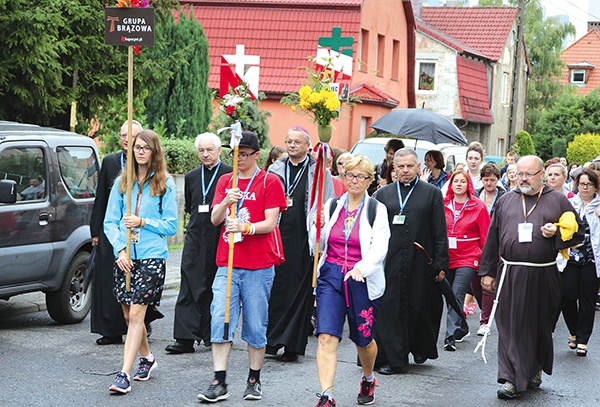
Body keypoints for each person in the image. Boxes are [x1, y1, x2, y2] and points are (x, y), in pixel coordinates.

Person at [479, 155, 584, 399]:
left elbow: (578, 233)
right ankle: (511, 378)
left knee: (539, 325)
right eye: (519, 173)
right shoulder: (506, 200)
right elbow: (492, 238)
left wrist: (557, 232)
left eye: (528, 174)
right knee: (509, 326)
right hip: (510, 272)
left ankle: (534, 367)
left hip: (543, 273)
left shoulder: (557, 200)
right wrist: (487, 272)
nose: (522, 178)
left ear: (541, 176)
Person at [197, 131, 287, 403]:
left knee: (255, 325)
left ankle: (253, 379)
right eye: (236, 153)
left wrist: (246, 226)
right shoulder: (226, 180)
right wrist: (226, 201)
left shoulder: (270, 181)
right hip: (228, 263)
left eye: (245, 154)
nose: (240, 159)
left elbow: (271, 223)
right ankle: (219, 380)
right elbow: (214, 219)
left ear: (257, 155)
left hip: (258, 265)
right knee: (220, 319)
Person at [104, 130, 178, 394]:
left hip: (152, 256)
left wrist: (143, 222)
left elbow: (171, 226)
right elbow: (110, 222)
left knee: (137, 313)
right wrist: (120, 250)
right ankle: (147, 358)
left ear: (154, 151)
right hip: (126, 257)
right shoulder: (123, 183)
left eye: (146, 147)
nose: (140, 151)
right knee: (128, 314)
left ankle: (123, 374)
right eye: (137, 147)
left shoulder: (165, 184)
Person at [314, 155, 390, 407]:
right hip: (331, 276)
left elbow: (380, 247)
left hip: (362, 279)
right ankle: (327, 395)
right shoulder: (332, 205)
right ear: (343, 177)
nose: (354, 180)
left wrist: (362, 268)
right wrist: (315, 227)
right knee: (326, 335)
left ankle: (368, 377)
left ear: (369, 180)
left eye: (360, 176)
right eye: (349, 175)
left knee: (363, 339)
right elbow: (318, 243)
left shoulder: (375, 209)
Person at [373, 148, 449, 374]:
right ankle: (392, 358)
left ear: (418, 167)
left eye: (410, 166)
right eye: (401, 166)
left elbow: (440, 231)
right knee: (391, 308)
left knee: (419, 306)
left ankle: (418, 346)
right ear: (394, 168)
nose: (405, 171)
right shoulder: (383, 194)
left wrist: (441, 263)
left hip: (420, 260)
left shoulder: (431, 193)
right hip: (391, 261)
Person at [266, 126, 334, 362]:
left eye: (297, 142)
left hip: (305, 238)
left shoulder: (318, 171)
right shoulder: (275, 169)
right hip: (278, 234)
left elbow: (329, 203)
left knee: (300, 290)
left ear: (308, 145)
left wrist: (323, 233)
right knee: (276, 288)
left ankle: (293, 345)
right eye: (289, 141)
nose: (292, 145)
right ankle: (272, 341)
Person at [165, 133, 233, 354]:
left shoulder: (229, 174)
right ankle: (185, 337)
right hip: (195, 236)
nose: (205, 154)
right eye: (201, 151)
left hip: (220, 236)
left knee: (217, 286)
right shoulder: (192, 176)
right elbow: (189, 207)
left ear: (219, 151)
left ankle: (211, 334)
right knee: (189, 283)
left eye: (209, 150)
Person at [90, 120, 143, 346]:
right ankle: (110, 330)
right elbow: (101, 196)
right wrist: (95, 231)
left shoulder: (144, 161)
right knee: (108, 280)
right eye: (122, 135)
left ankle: (139, 325)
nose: (125, 139)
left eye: (130, 136)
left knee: (137, 279)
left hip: (138, 230)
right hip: (111, 230)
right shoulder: (111, 161)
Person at [442, 170, 490, 351]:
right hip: (447, 256)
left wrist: (488, 262)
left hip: (469, 256)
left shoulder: (478, 206)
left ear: (468, 184)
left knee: (457, 292)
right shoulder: (443, 204)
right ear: (451, 184)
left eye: (463, 181)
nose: (459, 184)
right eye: (456, 181)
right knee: (449, 293)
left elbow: (486, 235)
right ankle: (461, 327)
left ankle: (450, 336)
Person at [561, 169, 600, 356]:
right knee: (566, 296)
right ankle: (574, 331)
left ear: (595, 187)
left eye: (589, 184)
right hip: (570, 257)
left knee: (587, 300)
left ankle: (583, 339)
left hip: (592, 259)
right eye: (582, 184)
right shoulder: (569, 204)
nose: (585, 188)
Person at [473, 163, 505, 336]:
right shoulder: (476, 195)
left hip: (496, 242)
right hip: (477, 243)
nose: (489, 183)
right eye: (486, 179)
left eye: (492, 180)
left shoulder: (504, 196)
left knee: (489, 282)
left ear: (497, 180)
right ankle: (486, 309)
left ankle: (485, 320)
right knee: (474, 282)